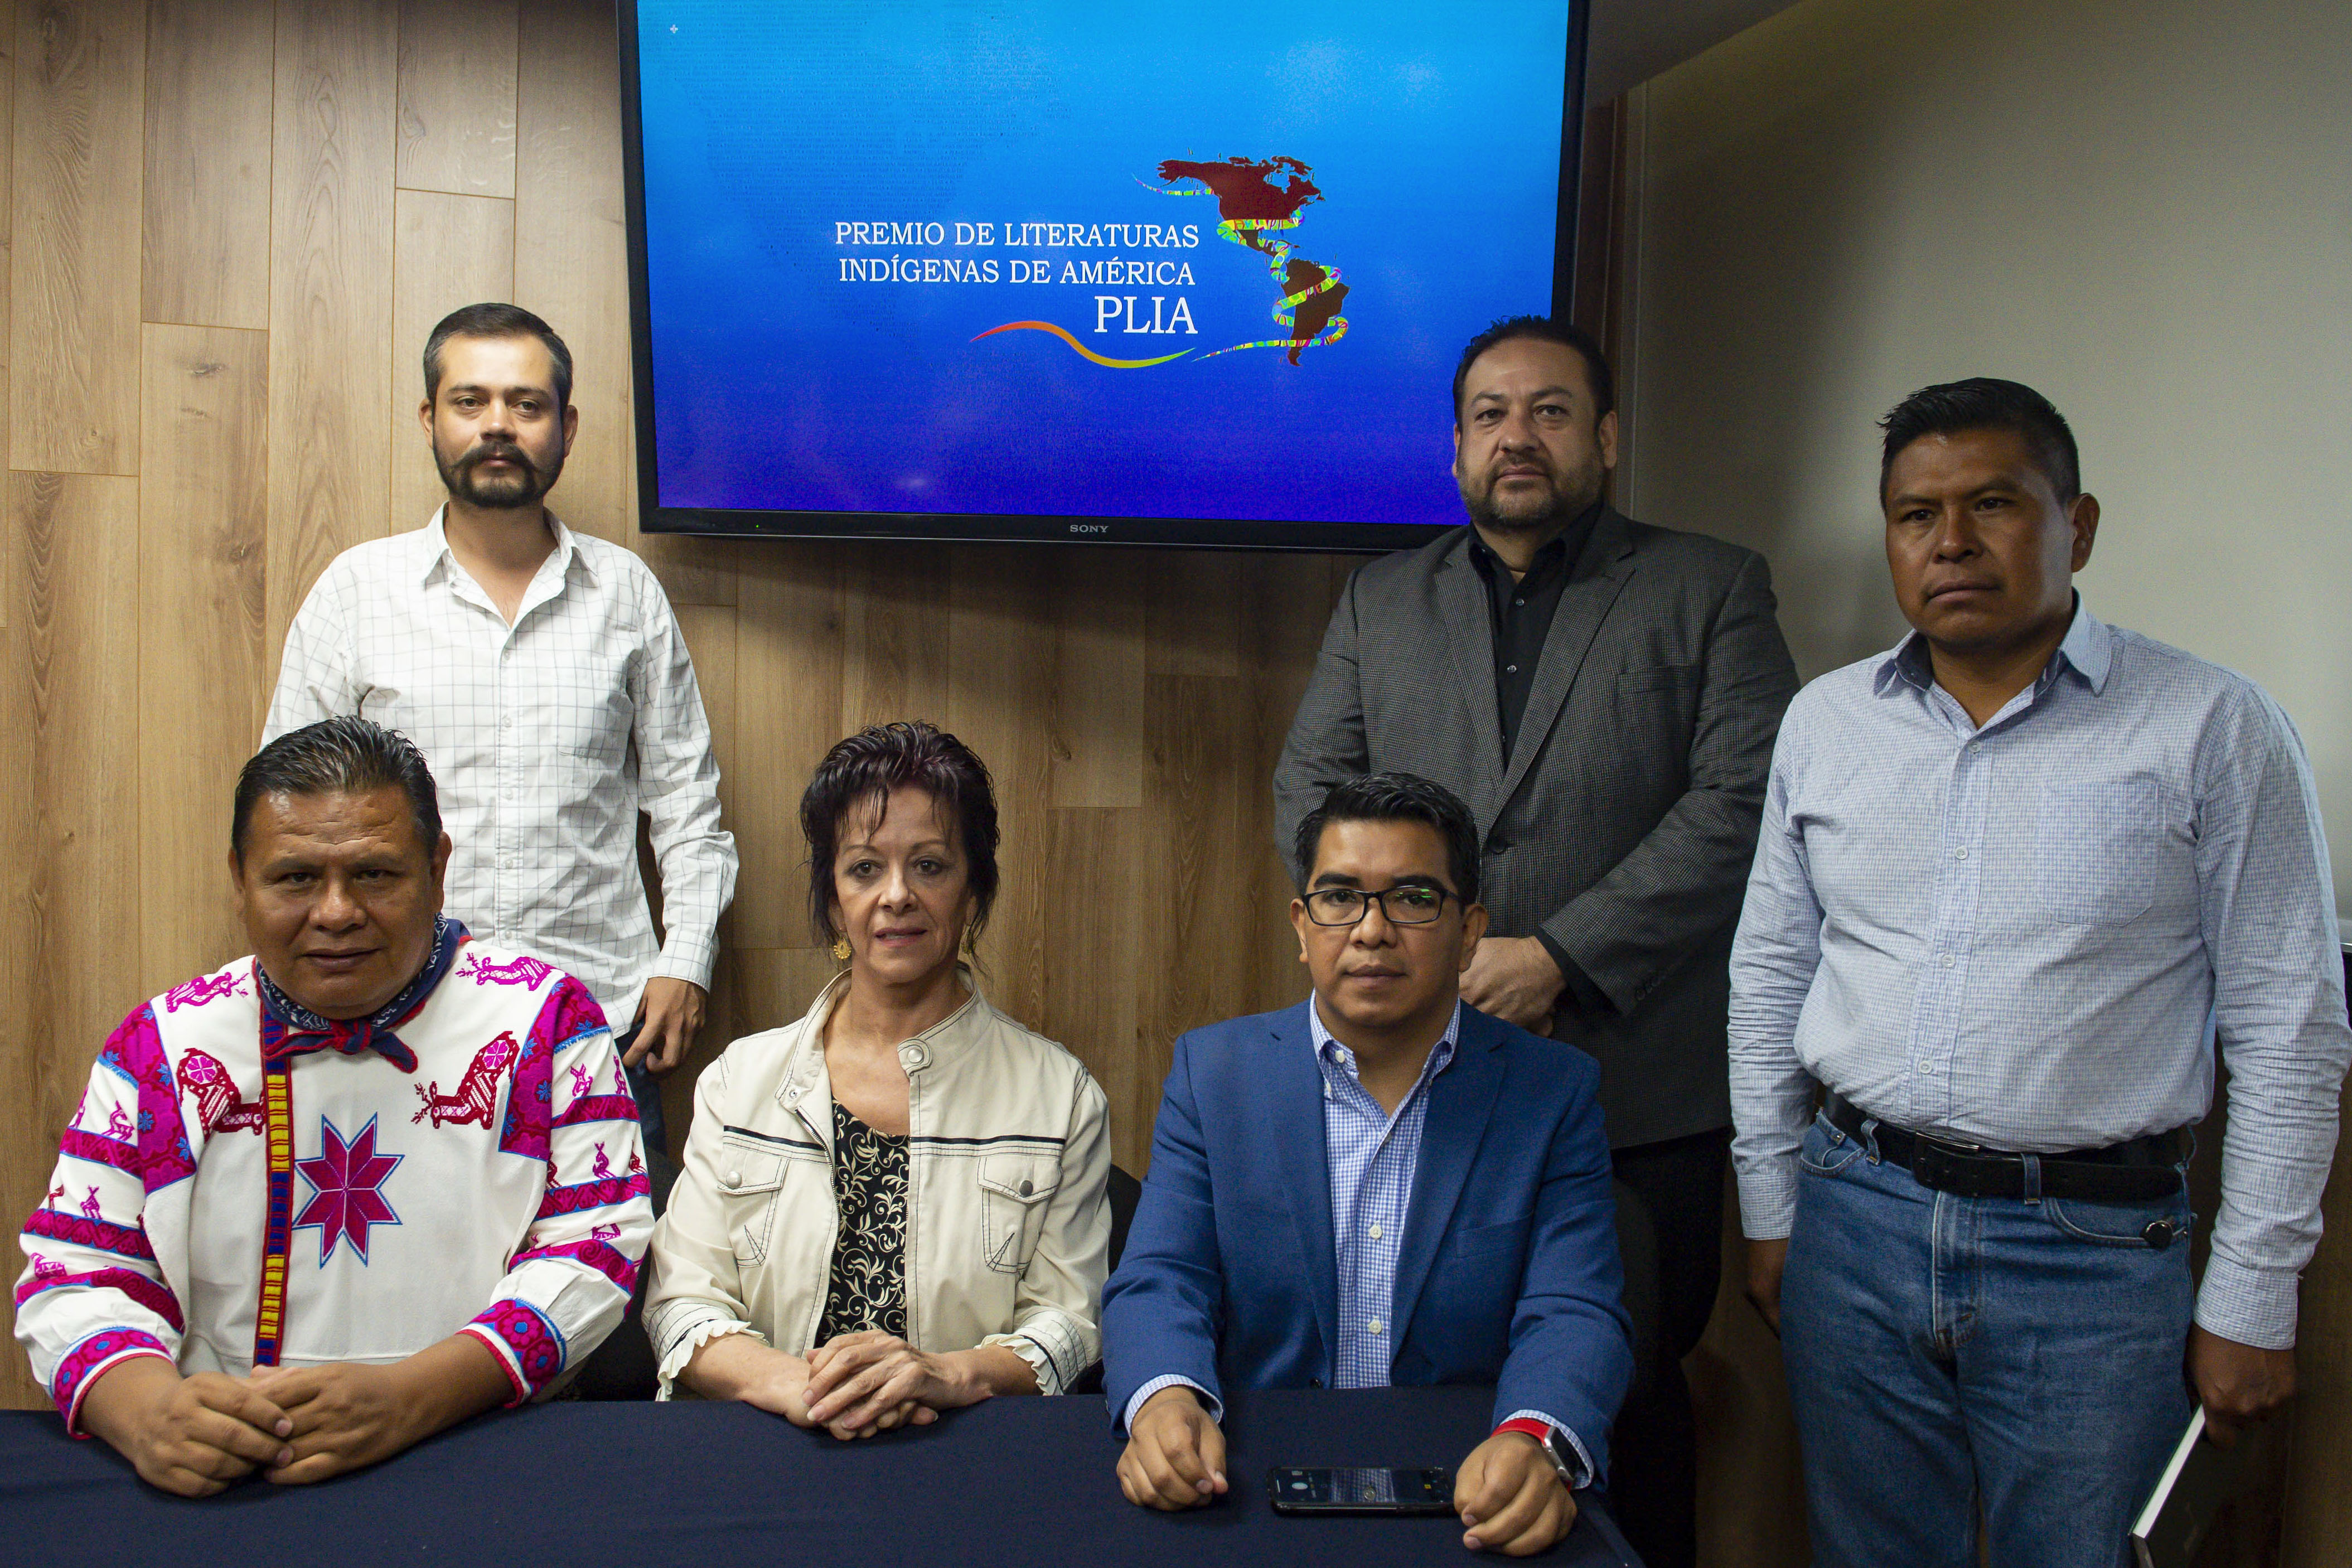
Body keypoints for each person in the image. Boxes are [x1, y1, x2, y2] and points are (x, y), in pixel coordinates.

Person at [1730, 378, 2351, 1567]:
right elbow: (1768, 974)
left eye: (1994, 503)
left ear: (2080, 524)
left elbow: (2290, 1025)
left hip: (2090, 1252)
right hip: (1852, 1217)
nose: (1950, 542)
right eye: (1915, 514)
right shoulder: (1825, 722)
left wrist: (2253, 1292)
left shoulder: (2212, 725)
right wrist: (1772, 1206)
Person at [1272, 315, 1797, 1567]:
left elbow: (1745, 802)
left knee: (1631, 1385)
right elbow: (1310, 792)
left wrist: (1557, 953)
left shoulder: (1709, 586)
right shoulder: (1381, 598)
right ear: (1455, 448)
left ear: (1604, 438)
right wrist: (1426, 951)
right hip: (1416, 1075)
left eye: (1550, 410)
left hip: (1635, 1083)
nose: (1519, 436)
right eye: (1491, 414)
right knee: (1424, 1370)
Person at [12, 718, 651, 1496]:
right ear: (239, 878)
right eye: (295, 879)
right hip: (237, 1479)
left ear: (437, 869)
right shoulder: (164, 1046)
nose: (337, 912)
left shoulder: (545, 1023)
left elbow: (596, 1244)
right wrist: (148, 1414)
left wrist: (413, 1400)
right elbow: (75, 1272)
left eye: (376, 874)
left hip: (481, 1453)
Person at [264, 302, 735, 1199]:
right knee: (402, 1277)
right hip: (394, 1030)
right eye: (470, 400)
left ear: (565, 427)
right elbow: (283, 823)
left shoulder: (625, 595)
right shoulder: (357, 593)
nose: (497, 425)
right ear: (429, 418)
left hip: (596, 1034)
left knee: (615, 1282)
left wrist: (685, 961)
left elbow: (687, 807)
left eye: (526, 404)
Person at [1105, 772, 1633, 1558]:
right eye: (1340, 897)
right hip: (1252, 1476)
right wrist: (1164, 1399)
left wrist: (1536, 1440)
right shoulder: (1214, 1074)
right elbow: (1162, 1277)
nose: (1371, 930)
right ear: (1302, 924)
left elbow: (1574, 1307)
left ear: (1468, 931)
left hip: (1467, 1484)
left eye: (1413, 898)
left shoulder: (1550, 1092)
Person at [645, 722, 1110, 1436]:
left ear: (974, 890)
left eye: (929, 865)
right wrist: (800, 1388)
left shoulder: (1061, 1097)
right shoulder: (737, 1083)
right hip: (770, 1447)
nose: (896, 895)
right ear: (834, 899)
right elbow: (680, 1303)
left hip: (967, 1456)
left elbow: (1070, 1323)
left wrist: (948, 1375)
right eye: (865, 868)